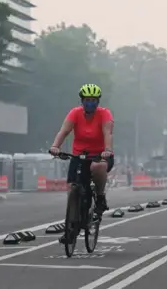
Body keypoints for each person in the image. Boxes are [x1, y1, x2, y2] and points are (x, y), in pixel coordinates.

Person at [49, 84, 115, 240]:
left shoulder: (104, 114)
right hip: (79, 156)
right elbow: (63, 131)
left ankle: (100, 198)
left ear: (98, 102)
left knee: (98, 167)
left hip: (100, 155)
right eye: (87, 100)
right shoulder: (75, 113)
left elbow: (108, 133)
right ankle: (72, 227)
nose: (90, 103)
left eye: (93, 100)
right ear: (82, 101)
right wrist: (55, 147)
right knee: (73, 187)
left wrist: (107, 150)